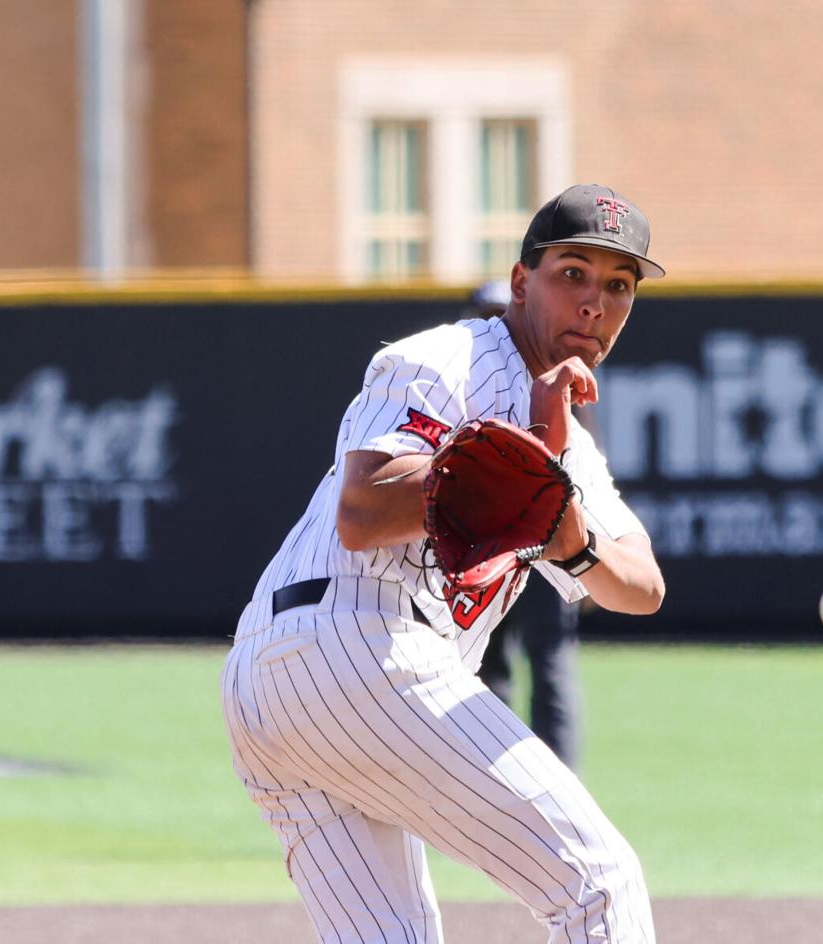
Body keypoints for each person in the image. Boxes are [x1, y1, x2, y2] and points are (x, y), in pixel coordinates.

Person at [221, 184, 667, 944]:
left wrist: (571, 534)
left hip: (284, 685)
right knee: (598, 885)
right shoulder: (448, 358)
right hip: (356, 642)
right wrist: (506, 473)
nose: (595, 302)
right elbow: (361, 512)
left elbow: (642, 587)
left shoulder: (569, 449)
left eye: (618, 286)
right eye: (573, 273)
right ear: (522, 283)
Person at [465, 279, 587, 771]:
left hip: (548, 544)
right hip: (491, 546)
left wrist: (586, 561)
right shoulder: (467, 381)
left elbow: (582, 473)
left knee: (550, 659)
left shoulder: (557, 384)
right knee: (483, 662)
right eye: (491, 312)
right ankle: (490, 777)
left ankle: (560, 783)